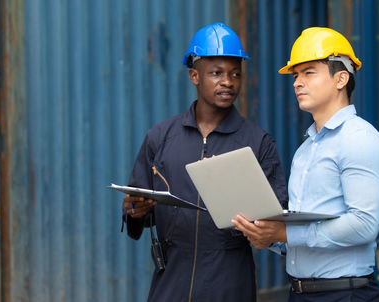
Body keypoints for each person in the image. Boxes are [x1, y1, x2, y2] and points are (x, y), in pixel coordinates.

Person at [121, 22, 288, 302]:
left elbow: (278, 220)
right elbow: (138, 207)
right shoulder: (161, 137)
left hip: (229, 281)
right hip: (171, 280)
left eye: (235, 74)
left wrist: (262, 229)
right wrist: (134, 211)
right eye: (216, 73)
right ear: (194, 76)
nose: (228, 82)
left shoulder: (258, 143)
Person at [232, 27, 379, 301]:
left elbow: (364, 224)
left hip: (346, 295)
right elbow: (302, 228)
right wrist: (270, 237)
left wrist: (286, 233)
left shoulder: (359, 139)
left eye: (309, 72)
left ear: (341, 78)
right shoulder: (306, 149)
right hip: (301, 292)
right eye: (295, 75)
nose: (297, 82)